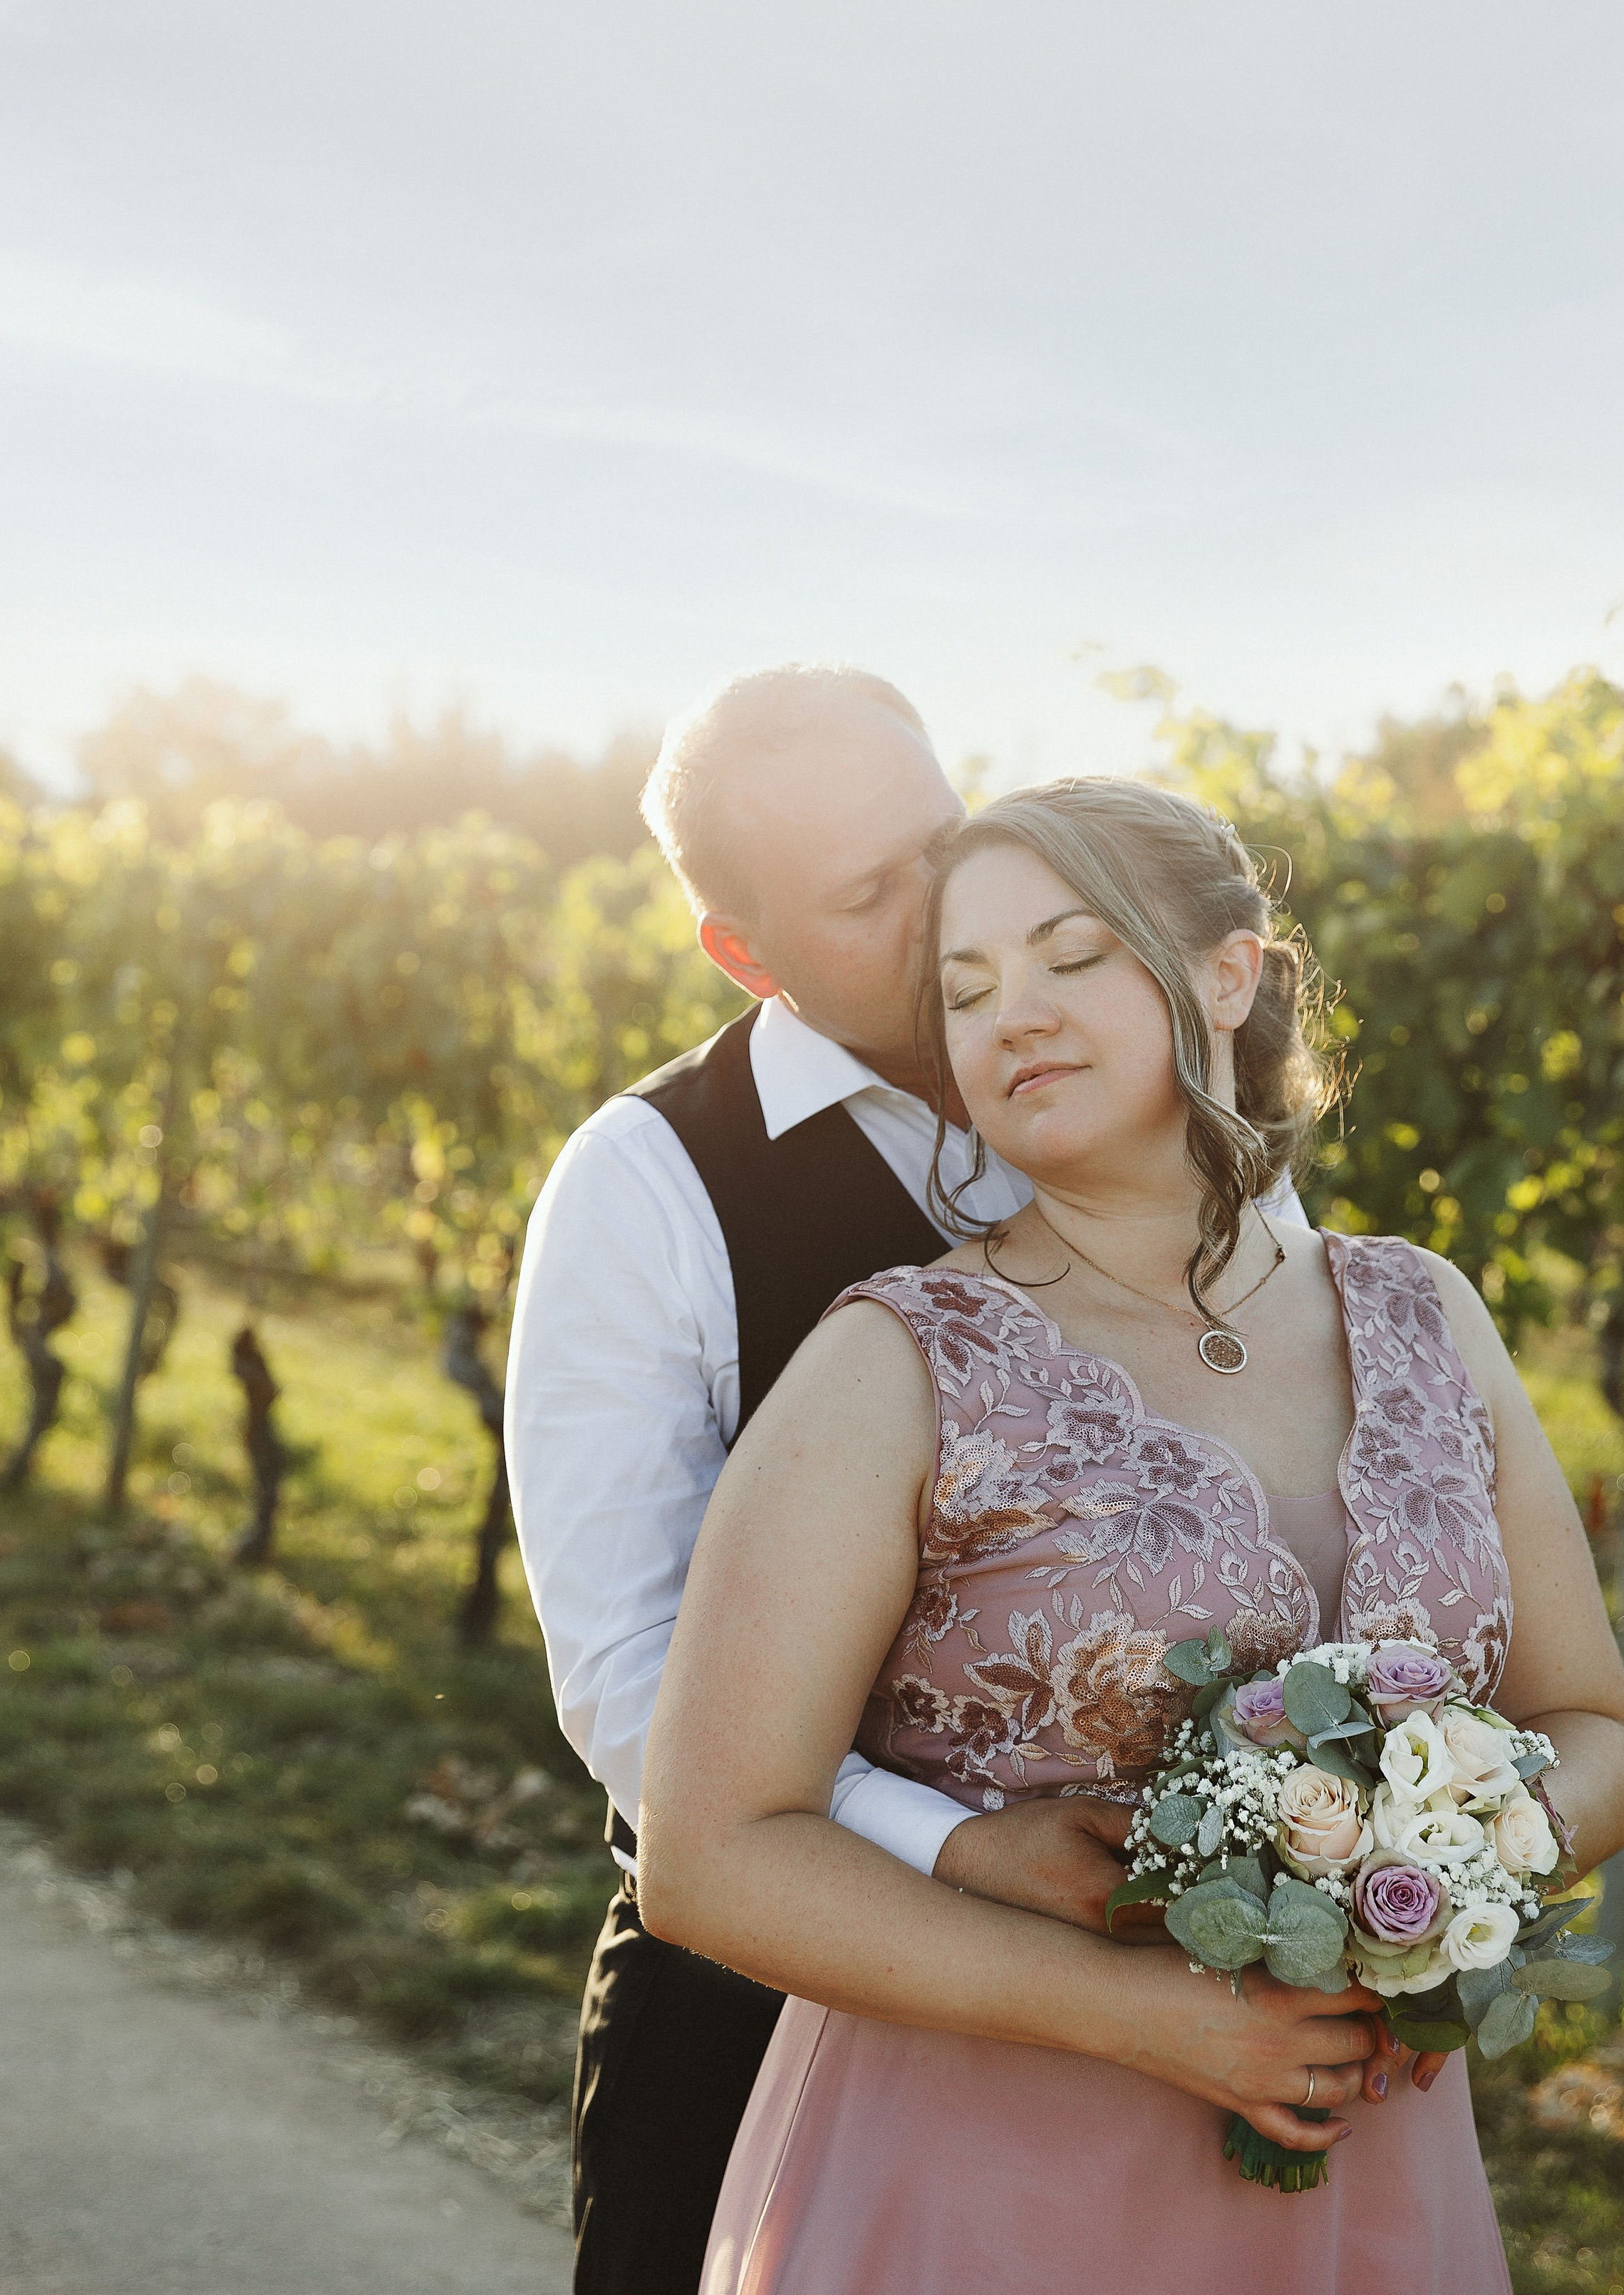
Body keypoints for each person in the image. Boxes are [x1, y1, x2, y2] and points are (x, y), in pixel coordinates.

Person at [638, 777, 1624, 2295]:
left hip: (1364, 2164)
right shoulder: (894, 1365)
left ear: (1225, 974)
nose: (1009, 1017)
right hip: (984, 2184)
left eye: (1070, 955)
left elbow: (1592, 1730)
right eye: (964, 992)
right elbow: (708, 1857)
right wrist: (1139, 2012)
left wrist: (1425, 1861)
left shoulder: (1424, 1314)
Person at [507, 671, 1313, 2293]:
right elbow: (628, 1692)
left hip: (1180, 2017)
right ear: (745, 953)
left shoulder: (1119, 1081)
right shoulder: (647, 1183)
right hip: (764, 2010)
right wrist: (949, 1846)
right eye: (870, 895)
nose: (947, 900)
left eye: (937, 839)